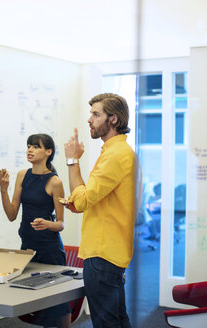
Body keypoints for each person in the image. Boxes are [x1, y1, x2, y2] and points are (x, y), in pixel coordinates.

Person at [63, 93, 139, 328]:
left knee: (106, 322)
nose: (89, 119)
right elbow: (92, 200)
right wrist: (78, 201)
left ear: (113, 119)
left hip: (103, 253)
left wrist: (72, 161)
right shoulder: (118, 152)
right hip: (110, 251)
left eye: (96, 114)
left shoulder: (115, 156)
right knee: (117, 320)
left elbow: (84, 200)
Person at [0, 133, 71, 328]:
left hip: (50, 250)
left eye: (35, 146)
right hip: (28, 248)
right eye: (28, 146)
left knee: (57, 303)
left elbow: (60, 223)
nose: (30, 149)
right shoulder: (22, 175)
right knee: (38, 302)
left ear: (48, 152)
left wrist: (47, 223)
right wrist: (3, 189)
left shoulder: (55, 182)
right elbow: (12, 214)